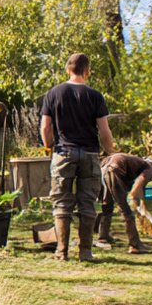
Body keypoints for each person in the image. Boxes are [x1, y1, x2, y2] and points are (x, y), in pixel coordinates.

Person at [40, 52, 115, 261]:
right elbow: (104, 130)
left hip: (64, 153)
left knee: (62, 202)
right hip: (90, 153)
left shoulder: (53, 93)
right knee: (88, 203)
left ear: (68, 69)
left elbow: (45, 126)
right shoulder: (95, 96)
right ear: (86, 71)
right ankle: (85, 251)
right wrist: (110, 151)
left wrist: (48, 145)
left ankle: (62, 251)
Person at [97, 153, 152, 254]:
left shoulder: (137, 162)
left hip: (104, 170)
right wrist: (136, 205)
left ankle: (103, 237)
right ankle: (135, 245)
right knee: (126, 212)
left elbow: (138, 188)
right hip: (114, 170)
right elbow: (136, 188)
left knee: (107, 206)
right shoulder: (150, 168)